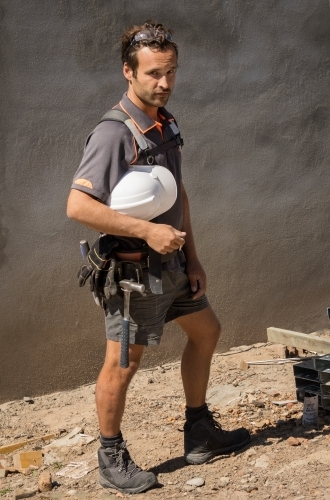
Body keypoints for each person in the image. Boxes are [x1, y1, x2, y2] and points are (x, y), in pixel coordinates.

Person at [67, 20, 250, 495]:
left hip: (172, 266)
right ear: (128, 72)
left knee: (207, 332)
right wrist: (147, 230)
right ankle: (110, 456)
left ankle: (199, 431)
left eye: (170, 72)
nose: (164, 83)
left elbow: (177, 193)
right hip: (133, 274)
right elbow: (78, 206)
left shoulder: (166, 122)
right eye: (153, 74)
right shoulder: (113, 134)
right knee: (123, 364)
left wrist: (193, 257)